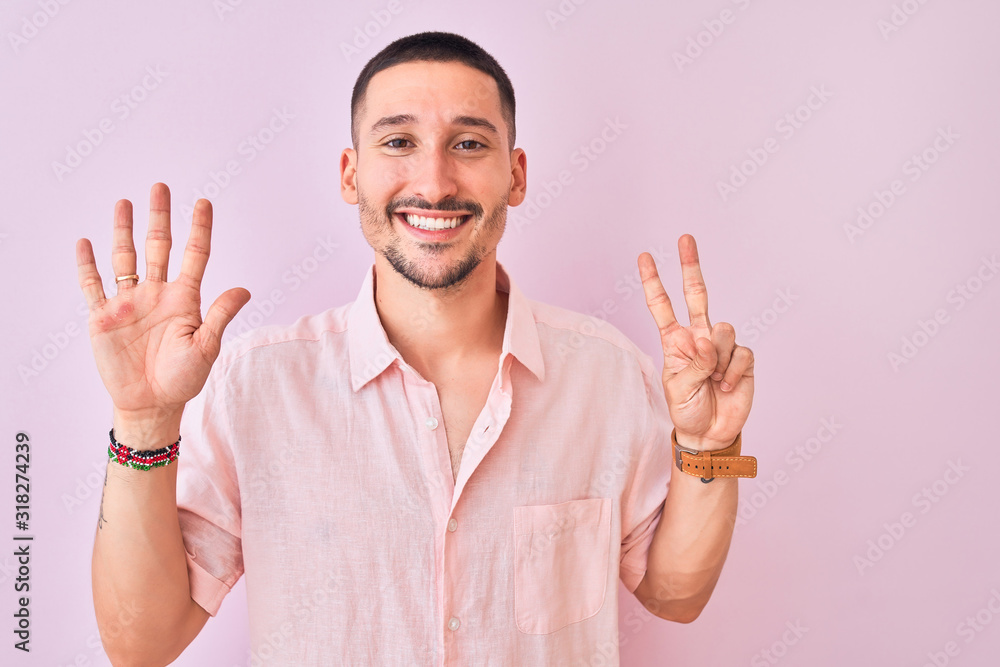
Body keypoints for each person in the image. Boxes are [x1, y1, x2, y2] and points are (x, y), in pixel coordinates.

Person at [79, 31, 756, 666]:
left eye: (468, 144)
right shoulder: (257, 385)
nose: (433, 183)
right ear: (351, 174)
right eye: (399, 141)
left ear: (515, 175)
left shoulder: (605, 374)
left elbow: (676, 594)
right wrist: (144, 422)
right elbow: (141, 642)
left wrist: (713, 450)